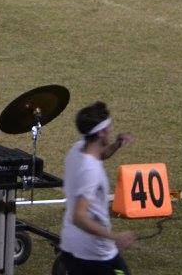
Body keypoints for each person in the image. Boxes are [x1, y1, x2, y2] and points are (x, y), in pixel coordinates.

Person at [59, 101, 137, 275]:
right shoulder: (90, 170)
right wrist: (115, 236)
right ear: (101, 132)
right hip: (94, 253)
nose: (111, 130)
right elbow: (79, 217)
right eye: (108, 127)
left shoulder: (77, 149)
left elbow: (101, 154)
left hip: (70, 245)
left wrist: (118, 143)